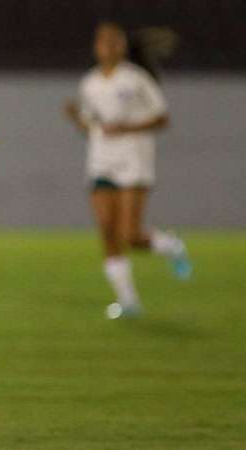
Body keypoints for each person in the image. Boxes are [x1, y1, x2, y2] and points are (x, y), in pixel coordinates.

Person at [64, 22, 191, 320]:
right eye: (103, 42)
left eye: (114, 41)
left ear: (122, 46)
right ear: (96, 47)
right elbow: (92, 126)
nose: (108, 47)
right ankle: (128, 301)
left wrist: (127, 127)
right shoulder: (90, 83)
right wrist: (75, 119)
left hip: (134, 159)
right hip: (100, 160)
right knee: (108, 232)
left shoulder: (137, 79)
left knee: (130, 235)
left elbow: (162, 119)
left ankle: (170, 245)